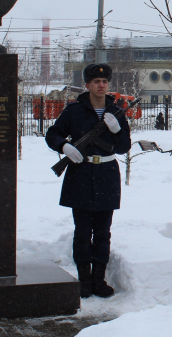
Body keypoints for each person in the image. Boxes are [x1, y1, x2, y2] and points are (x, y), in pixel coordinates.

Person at [46, 63, 131, 299]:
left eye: (104, 82)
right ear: (88, 85)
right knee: (82, 232)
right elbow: (52, 134)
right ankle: (84, 280)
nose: (101, 85)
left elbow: (124, 147)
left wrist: (116, 131)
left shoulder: (116, 112)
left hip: (106, 175)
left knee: (103, 232)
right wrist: (64, 146)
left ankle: (99, 280)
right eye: (96, 82)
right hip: (80, 174)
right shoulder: (74, 111)